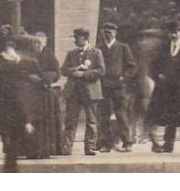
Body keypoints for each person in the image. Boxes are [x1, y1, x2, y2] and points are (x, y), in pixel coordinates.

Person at [0, 34, 41, 173]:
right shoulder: (15, 72)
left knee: (10, 149)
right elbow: (18, 99)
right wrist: (26, 121)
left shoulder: (0, 67)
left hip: (6, 110)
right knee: (12, 148)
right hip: (14, 112)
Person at [61, 28, 105, 156]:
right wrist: (74, 70)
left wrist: (84, 74)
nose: (75, 40)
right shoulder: (71, 53)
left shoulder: (96, 52)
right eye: (75, 37)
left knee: (91, 121)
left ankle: (90, 147)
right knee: (70, 121)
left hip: (90, 91)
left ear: (85, 38)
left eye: (77, 37)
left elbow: (101, 71)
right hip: (74, 92)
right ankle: (66, 148)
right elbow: (63, 70)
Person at [95, 22, 137, 152]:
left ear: (115, 33)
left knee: (121, 114)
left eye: (110, 32)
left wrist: (124, 77)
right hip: (103, 87)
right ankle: (106, 144)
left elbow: (132, 66)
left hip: (119, 87)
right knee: (104, 116)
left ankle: (127, 142)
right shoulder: (98, 48)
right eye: (105, 32)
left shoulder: (123, 47)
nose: (108, 35)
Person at [147, 23, 180, 153]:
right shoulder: (163, 47)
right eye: (171, 32)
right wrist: (158, 75)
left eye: (176, 32)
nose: (174, 35)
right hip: (165, 89)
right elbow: (153, 65)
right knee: (168, 117)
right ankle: (168, 144)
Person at [32, 30, 64, 156]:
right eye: (35, 42)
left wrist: (43, 77)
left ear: (45, 43)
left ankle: (47, 150)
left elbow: (57, 73)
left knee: (47, 122)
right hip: (32, 94)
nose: (37, 45)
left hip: (46, 94)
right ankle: (33, 150)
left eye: (40, 42)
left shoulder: (49, 55)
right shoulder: (30, 55)